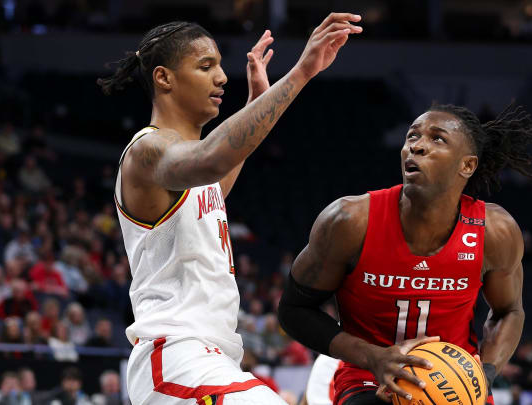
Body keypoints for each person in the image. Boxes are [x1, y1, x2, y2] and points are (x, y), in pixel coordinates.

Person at [97, 13, 362, 405]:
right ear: (163, 78)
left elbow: (217, 174)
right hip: (175, 358)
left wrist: (256, 103)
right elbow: (214, 156)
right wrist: (302, 72)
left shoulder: (189, 169)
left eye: (220, 66)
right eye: (205, 67)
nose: (221, 77)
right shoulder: (147, 151)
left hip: (212, 357)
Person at [279, 103, 532, 404]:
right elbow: (293, 310)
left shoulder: (494, 231)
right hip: (368, 377)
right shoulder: (349, 221)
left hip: (453, 379)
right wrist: (373, 357)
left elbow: (509, 312)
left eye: (436, 138)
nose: (416, 146)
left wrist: (485, 374)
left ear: (467, 165)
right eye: (412, 137)